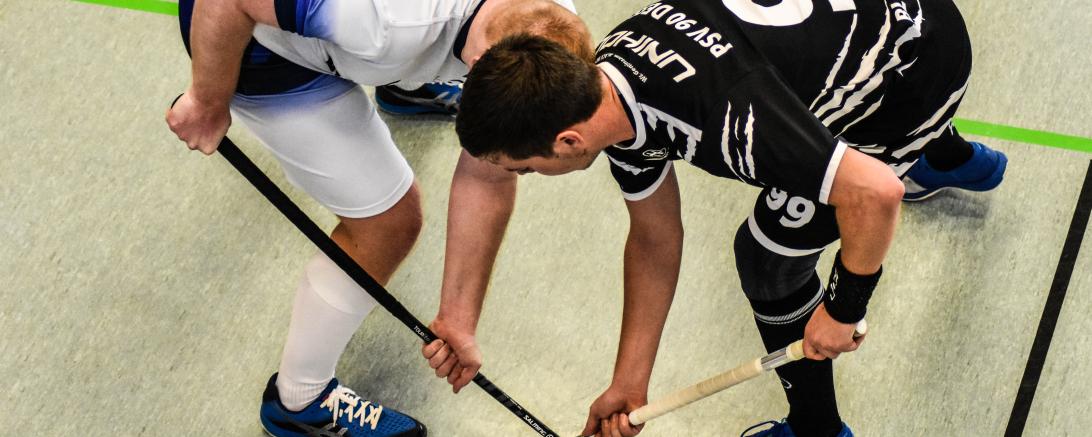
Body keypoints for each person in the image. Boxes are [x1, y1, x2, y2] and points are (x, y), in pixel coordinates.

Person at [421, 0, 1007, 436]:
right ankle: (943, 154)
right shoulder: (604, 82)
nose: (525, 179)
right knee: (814, 111)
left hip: (920, 60)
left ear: (569, 141)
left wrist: (843, 308)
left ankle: (817, 430)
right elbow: (655, 238)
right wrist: (630, 382)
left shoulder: (733, 125)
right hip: (858, 30)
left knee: (769, 259)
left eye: (524, 170)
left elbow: (876, 195)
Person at [164, 0, 592, 435]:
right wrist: (206, 98)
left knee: (399, 54)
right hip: (251, 40)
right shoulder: (384, 21)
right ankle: (299, 400)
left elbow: (488, 176)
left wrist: (458, 319)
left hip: (385, 43)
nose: (523, 172)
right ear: (479, 66)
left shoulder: (549, 23)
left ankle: (403, 84)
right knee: (389, 224)